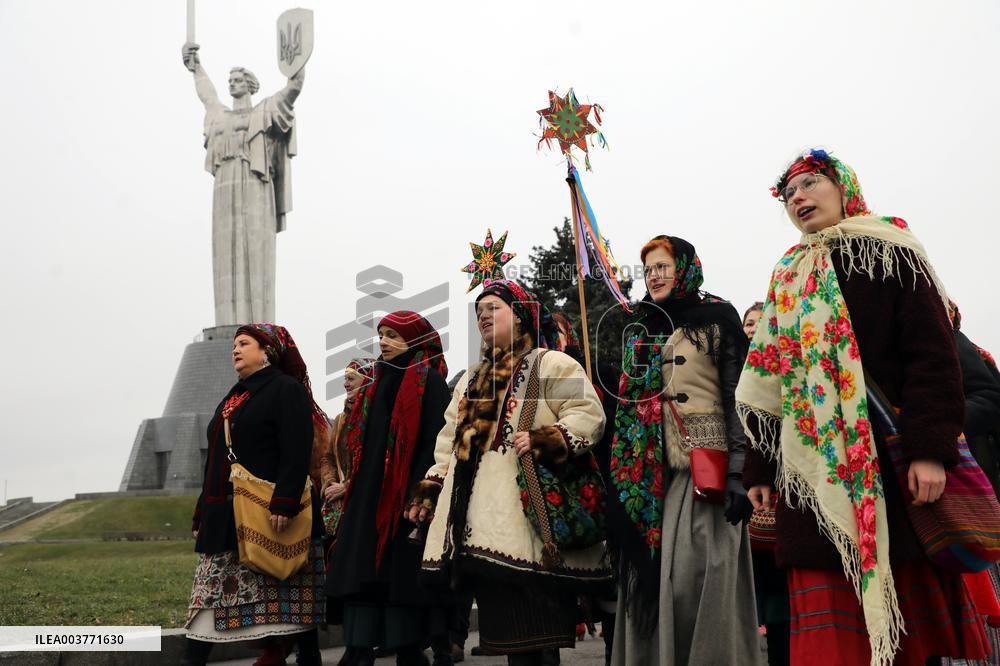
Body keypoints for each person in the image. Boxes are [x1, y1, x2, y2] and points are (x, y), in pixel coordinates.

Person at [739, 148, 989, 665]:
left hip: (889, 469)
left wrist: (929, 450)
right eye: (788, 193)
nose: (798, 197)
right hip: (809, 478)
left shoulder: (889, 250)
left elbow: (932, 358)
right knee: (831, 634)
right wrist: (761, 467)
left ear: (843, 185)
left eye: (810, 183)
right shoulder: (788, 276)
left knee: (905, 635)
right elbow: (773, 379)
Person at [408, 279, 608, 666]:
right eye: (478, 311)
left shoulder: (552, 363)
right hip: (480, 529)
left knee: (537, 635)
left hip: (527, 524)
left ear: (520, 317)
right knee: (510, 641)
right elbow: (449, 441)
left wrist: (546, 437)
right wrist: (431, 486)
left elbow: (588, 414)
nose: (483, 315)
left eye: (493, 308)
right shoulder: (470, 380)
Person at [609, 236, 760, 666]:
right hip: (645, 473)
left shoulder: (718, 317)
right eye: (649, 269)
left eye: (663, 266)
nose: (654, 276)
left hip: (704, 468)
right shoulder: (638, 323)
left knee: (697, 581)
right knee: (652, 584)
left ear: (686, 268)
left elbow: (738, 400)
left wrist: (737, 473)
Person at [184, 324, 327, 666]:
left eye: (244, 343)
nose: (235, 349)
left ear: (267, 351)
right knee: (209, 595)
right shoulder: (234, 396)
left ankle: (307, 655)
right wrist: (202, 512)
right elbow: (216, 460)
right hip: (227, 515)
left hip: (267, 510)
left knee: (289, 591)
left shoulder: (285, 390)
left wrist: (285, 499)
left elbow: (296, 449)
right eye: (234, 344)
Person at [325, 312, 452, 666]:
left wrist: (421, 490)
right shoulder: (375, 381)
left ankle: (409, 649)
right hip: (367, 496)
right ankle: (358, 649)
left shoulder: (430, 382)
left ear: (413, 339)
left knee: (401, 576)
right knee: (361, 572)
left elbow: (436, 441)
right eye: (381, 334)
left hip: (407, 495)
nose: (383, 341)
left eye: (393, 335)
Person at [181, 42, 303, 326]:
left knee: (255, 248)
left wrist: (297, 63)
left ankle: (259, 324)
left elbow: (293, 89)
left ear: (249, 85)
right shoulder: (220, 116)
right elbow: (207, 95)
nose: (233, 84)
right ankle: (227, 323)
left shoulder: (264, 111)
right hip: (225, 185)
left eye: (238, 80)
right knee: (226, 252)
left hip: (255, 182)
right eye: (230, 81)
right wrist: (196, 67)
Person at [320, 359, 375, 510]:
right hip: (341, 504)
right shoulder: (340, 420)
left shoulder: (377, 418)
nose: (345, 384)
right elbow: (328, 458)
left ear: (367, 381)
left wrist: (346, 487)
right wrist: (330, 484)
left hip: (368, 502)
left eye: (350, 378)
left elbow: (377, 462)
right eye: (345, 379)